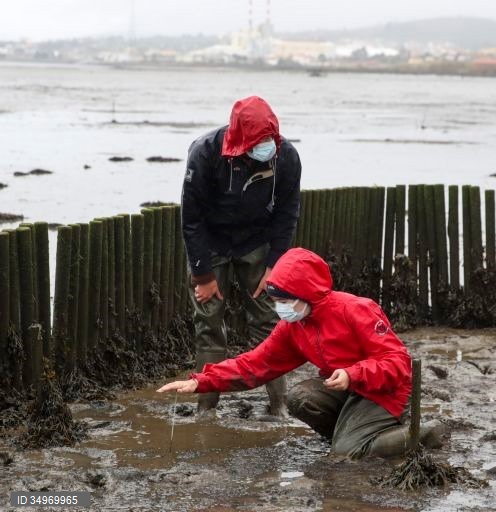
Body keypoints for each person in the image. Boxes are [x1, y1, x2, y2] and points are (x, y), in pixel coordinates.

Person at [158, 248, 445, 459]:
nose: (280, 308)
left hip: (386, 390)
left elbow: (398, 363)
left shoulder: (356, 309)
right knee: (300, 398)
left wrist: (352, 373)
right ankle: (350, 435)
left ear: (306, 293)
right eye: (276, 301)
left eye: (285, 300)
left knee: (347, 454)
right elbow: (255, 364)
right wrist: (201, 381)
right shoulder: (293, 326)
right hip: (347, 387)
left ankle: (422, 433)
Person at [181, 96, 301, 416]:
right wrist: (203, 276)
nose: (264, 148)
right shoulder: (204, 153)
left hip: (257, 243)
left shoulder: (287, 157)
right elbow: (191, 218)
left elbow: (288, 213)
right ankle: (206, 408)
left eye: (268, 141)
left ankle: (279, 407)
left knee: (268, 322)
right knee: (208, 324)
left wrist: (275, 266)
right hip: (211, 244)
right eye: (256, 143)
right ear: (239, 140)